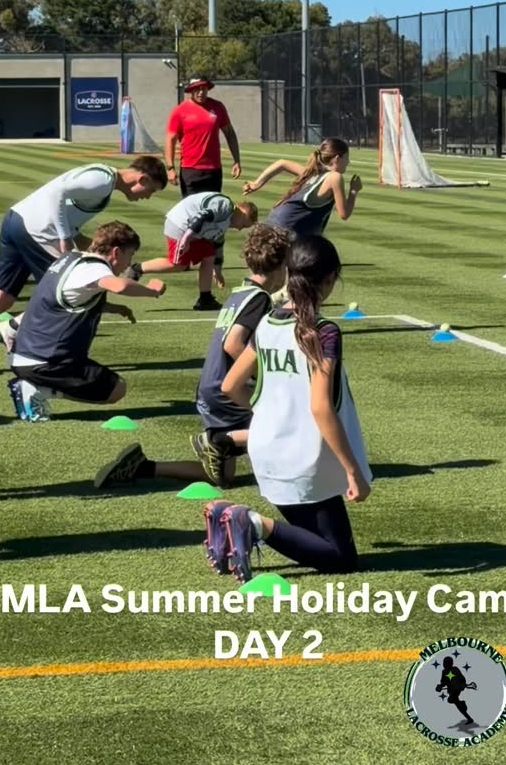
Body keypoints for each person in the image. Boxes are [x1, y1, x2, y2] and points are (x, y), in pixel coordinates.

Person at [202, 234, 372, 584]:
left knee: (323, 542)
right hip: (306, 458)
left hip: (267, 451)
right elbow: (321, 408)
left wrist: (269, 416)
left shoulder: (267, 323)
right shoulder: (322, 331)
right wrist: (352, 470)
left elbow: (230, 385)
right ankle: (249, 522)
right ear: (329, 280)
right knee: (340, 559)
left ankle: (235, 519)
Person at [93, 223, 291, 491]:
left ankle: (142, 466)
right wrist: (262, 375)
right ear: (281, 266)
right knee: (284, 422)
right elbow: (234, 343)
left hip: (211, 387)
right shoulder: (259, 299)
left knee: (221, 477)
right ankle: (229, 443)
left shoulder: (240, 293)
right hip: (227, 390)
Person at [0, 155, 167, 375]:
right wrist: (63, 237)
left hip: (18, 222)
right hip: (37, 232)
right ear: (143, 180)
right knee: (78, 293)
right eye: (152, 190)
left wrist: (93, 250)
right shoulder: (102, 181)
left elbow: (68, 222)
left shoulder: (104, 183)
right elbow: (57, 194)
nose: (148, 197)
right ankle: (45, 348)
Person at [8, 221, 166, 422]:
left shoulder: (71, 259)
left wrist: (114, 309)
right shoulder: (94, 270)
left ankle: (36, 386)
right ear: (116, 252)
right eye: (130, 255)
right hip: (45, 361)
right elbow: (119, 286)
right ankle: (38, 390)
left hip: (25, 354)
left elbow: (68, 300)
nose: (129, 263)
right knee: (117, 389)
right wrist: (152, 291)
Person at [165, 77, 242, 287]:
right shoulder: (180, 111)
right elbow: (170, 139)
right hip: (190, 170)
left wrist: (236, 159)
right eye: (197, 89)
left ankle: (209, 259)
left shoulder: (217, 108)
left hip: (213, 170)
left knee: (213, 216)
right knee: (192, 217)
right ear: (191, 91)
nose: (201, 92)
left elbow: (229, 133)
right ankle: (186, 254)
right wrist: (170, 167)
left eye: (204, 89)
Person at [135, 192, 257, 311]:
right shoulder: (225, 206)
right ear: (243, 213)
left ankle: (205, 299)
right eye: (244, 224)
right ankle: (138, 268)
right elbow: (202, 216)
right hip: (180, 225)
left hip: (191, 231)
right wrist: (186, 238)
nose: (240, 229)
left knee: (209, 255)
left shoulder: (226, 220)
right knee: (178, 265)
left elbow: (218, 244)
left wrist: (217, 271)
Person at [243, 137, 362, 238]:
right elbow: (344, 214)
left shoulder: (312, 172)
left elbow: (282, 163)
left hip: (270, 226)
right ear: (337, 159)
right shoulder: (335, 177)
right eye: (346, 158)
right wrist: (353, 191)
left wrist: (257, 183)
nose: (348, 162)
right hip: (284, 233)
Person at [435, 657, 477, 725]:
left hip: (456, 690)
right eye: (444, 662)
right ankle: (469, 718)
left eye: (446, 663)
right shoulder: (445, 671)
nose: (444, 664)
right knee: (456, 703)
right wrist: (440, 686)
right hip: (453, 690)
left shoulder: (454, 669)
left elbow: (462, 678)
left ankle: (463, 706)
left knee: (451, 700)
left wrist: (462, 685)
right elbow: (444, 682)